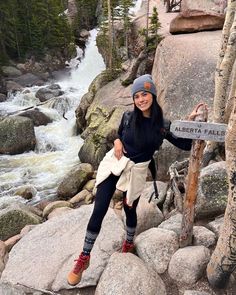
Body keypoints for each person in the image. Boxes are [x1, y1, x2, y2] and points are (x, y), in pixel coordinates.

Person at [67, 74, 200, 286]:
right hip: (115, 162)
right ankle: (85, 256)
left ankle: (128, 243)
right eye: (137, 96)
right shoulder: (128, 117)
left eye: (144, 94)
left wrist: (190, 123)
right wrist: (118, 141)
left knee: (130, 209)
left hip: (136, 172)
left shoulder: (162, 126)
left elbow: (184, 145)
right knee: (99, 208)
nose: (140, 99)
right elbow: (117, 133)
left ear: (153, 96)